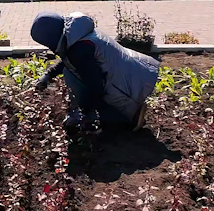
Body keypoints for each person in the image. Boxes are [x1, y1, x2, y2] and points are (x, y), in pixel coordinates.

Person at [30, 11, 160, 130]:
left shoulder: (79, 51)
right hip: (139, 73)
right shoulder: (77, 33)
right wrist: (49, 74)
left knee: (74, 78)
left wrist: (85, 112)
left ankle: (131, 116)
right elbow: (67, 59)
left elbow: (95, 85)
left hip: (128, 88)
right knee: (72, 72)